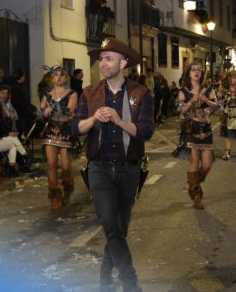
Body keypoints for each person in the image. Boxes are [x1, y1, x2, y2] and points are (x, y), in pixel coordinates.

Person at [72, 37, 154, 292]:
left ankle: (105, 279)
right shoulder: (90, 92)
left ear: (123, 62)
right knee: (111, 224)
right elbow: (76, 127)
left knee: (120, 229)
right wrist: (93, 118)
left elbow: (146, 131)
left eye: (108, 58)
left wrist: (118, 121)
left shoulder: (141, 94)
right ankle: (131, 283)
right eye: (101, 59)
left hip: (129, 169)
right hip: (99, 169)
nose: (103, 64)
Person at [176, 62, 219, 209]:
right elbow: (181, 111)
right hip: (191, 129)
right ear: (188, 73)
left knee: (207, 164)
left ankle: (194, 184)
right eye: (193, 69)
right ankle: (197, 195)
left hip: (205, 129)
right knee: (194, 160)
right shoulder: (183, 91)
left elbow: (216, 106)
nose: (196, 72)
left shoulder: (209, 89)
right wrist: (191, 102)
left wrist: (206, 100)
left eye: (199, 70)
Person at [40, 66, 78, 210]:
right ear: (53, 78)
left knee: (66, 166)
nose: (59, 78)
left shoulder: (72, 93)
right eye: (56, 75)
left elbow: (69, 110)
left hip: (65, 131)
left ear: (66, 78)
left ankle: (67, 189)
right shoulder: (47, 95)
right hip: (51, 130)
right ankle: (54, 194)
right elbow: (41, 112)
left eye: (62, 75)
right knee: (51, 164)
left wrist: (53, 109)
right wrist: (44, 111)